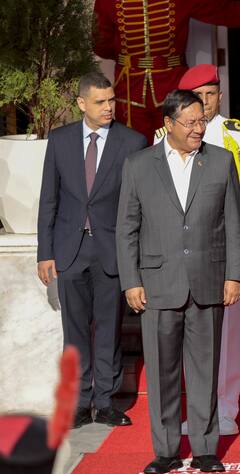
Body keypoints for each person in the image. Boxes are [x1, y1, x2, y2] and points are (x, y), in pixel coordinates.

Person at [116, 90, 240, 473]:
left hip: (208, 281)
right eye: (189, 123)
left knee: (205, 371)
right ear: (168, 124)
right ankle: (167, 450)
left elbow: (234, 227)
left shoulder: (220, 162)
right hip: (157, 285)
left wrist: (234, 275)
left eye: (201, 121)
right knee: (161, 374)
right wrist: (131, 282)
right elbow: (127, 229)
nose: (198, 129)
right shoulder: (139, 165)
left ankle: (206, 449)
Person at [154, 64, 240, 436]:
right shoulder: (165, 137)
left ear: (220, 95)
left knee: (227, 333)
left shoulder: (239, 136)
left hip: (226, 249)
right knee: (192, 336)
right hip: (183, 253)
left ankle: (226, 407)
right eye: (196, 96)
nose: (203, 104)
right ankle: (199, 408)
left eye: (210, 94)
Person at [37, 72, 147, 429]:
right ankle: (80, 403)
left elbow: (138, 205)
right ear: (82, 104)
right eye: (100, 102)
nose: (109, 108)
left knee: (110, 328)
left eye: (112, 100)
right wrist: (44, 251)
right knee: (75, 331)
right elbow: (48, 200)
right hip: (69, 250)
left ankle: (107, 401)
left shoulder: (132, 142)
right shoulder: (60, 141)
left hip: (110, 249)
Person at [93, 0, 240, 141]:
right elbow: (100, 43)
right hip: (130, 91)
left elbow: (224, 10)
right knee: (133, 154)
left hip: (172, 87)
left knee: (178, 150)